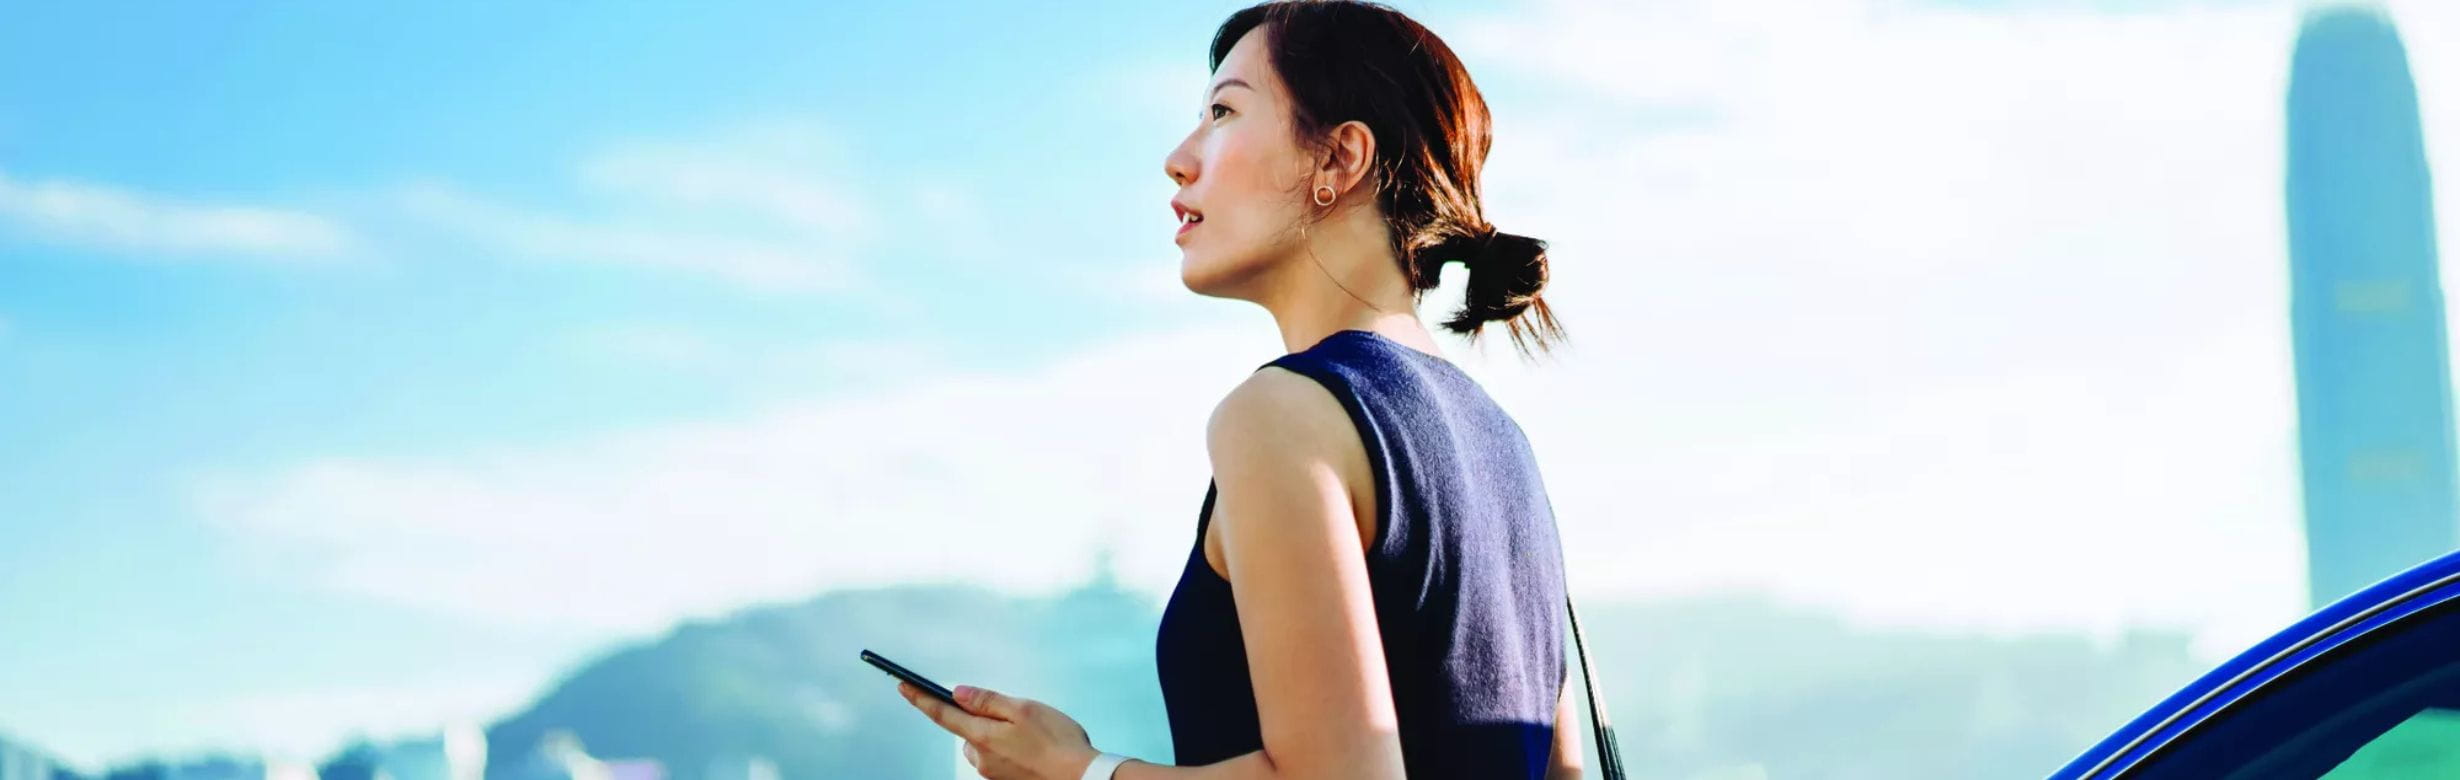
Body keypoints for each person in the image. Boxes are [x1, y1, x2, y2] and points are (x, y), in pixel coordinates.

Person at [898, 2, 1579, 778]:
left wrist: (1076, 770)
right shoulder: (1505, 443)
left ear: (1338, 161)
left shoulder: (1283, 415)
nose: (1178, 158)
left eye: (1223, 112)